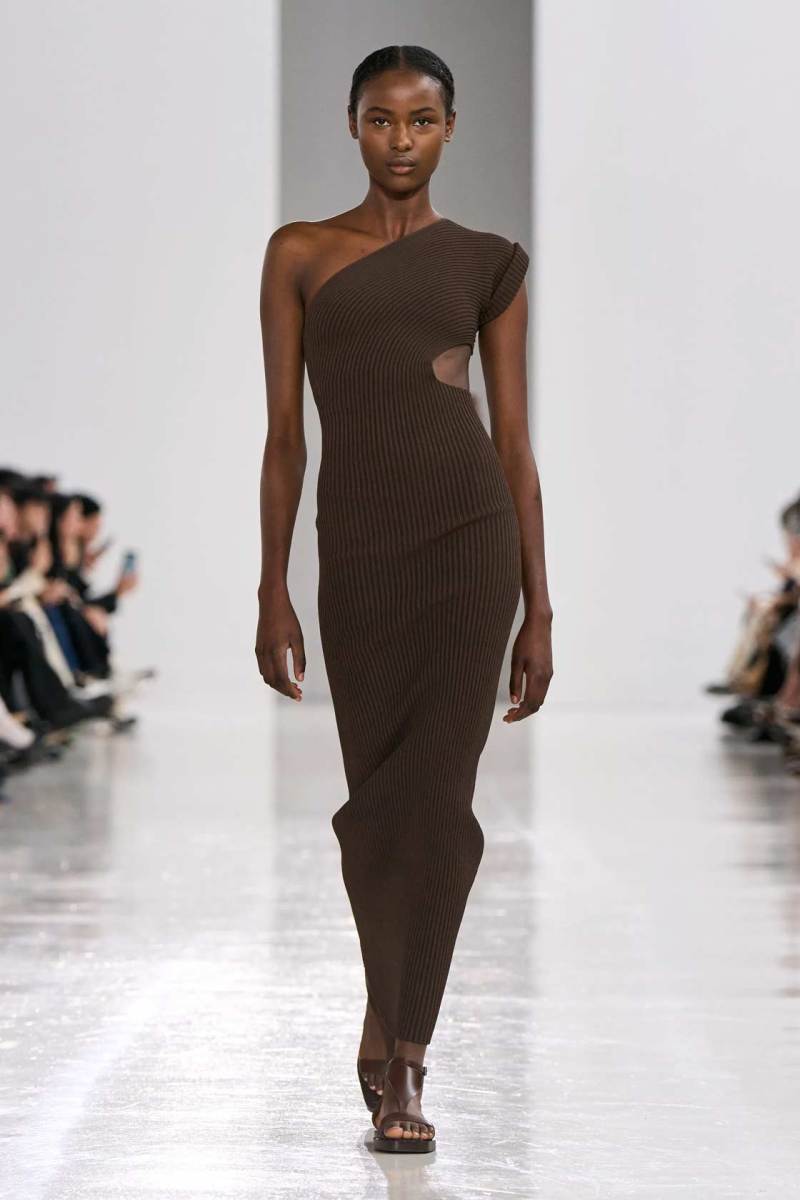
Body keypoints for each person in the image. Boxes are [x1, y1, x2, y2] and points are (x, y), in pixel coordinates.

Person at [255, 45, 553, 1153]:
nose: (400, 141)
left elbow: (512, 442)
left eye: (422, 120)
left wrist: (539, 606)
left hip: (469, 541)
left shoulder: (488, 262)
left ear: (450, 128)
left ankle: (407, 1064)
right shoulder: (299, 253)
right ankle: (386, 1010)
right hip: (360, 552)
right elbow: (285, 438)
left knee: (436, 801)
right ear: (351, 125)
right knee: (377, 806)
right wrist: (272, 588)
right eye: (381, 119)